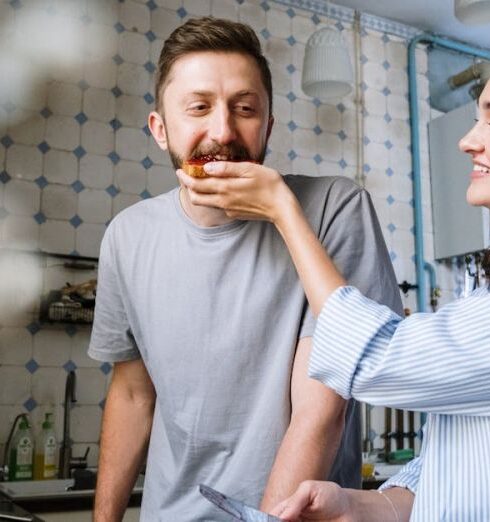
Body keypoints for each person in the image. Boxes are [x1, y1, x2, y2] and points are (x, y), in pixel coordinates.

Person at [88, 17, 403, 521]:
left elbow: (319, 414)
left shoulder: (335, 209)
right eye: (199, 107)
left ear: (269, 125)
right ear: (160, 128)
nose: (223, 131)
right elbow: (131, 394)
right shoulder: (126, 237)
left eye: (245, 108)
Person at [177, 77, 490, 521]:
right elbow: (457, 473)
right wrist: (363, 503)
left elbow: (376, 359)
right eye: (479, 117)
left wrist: (285, 211)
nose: (468, 140)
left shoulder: (338, 207)